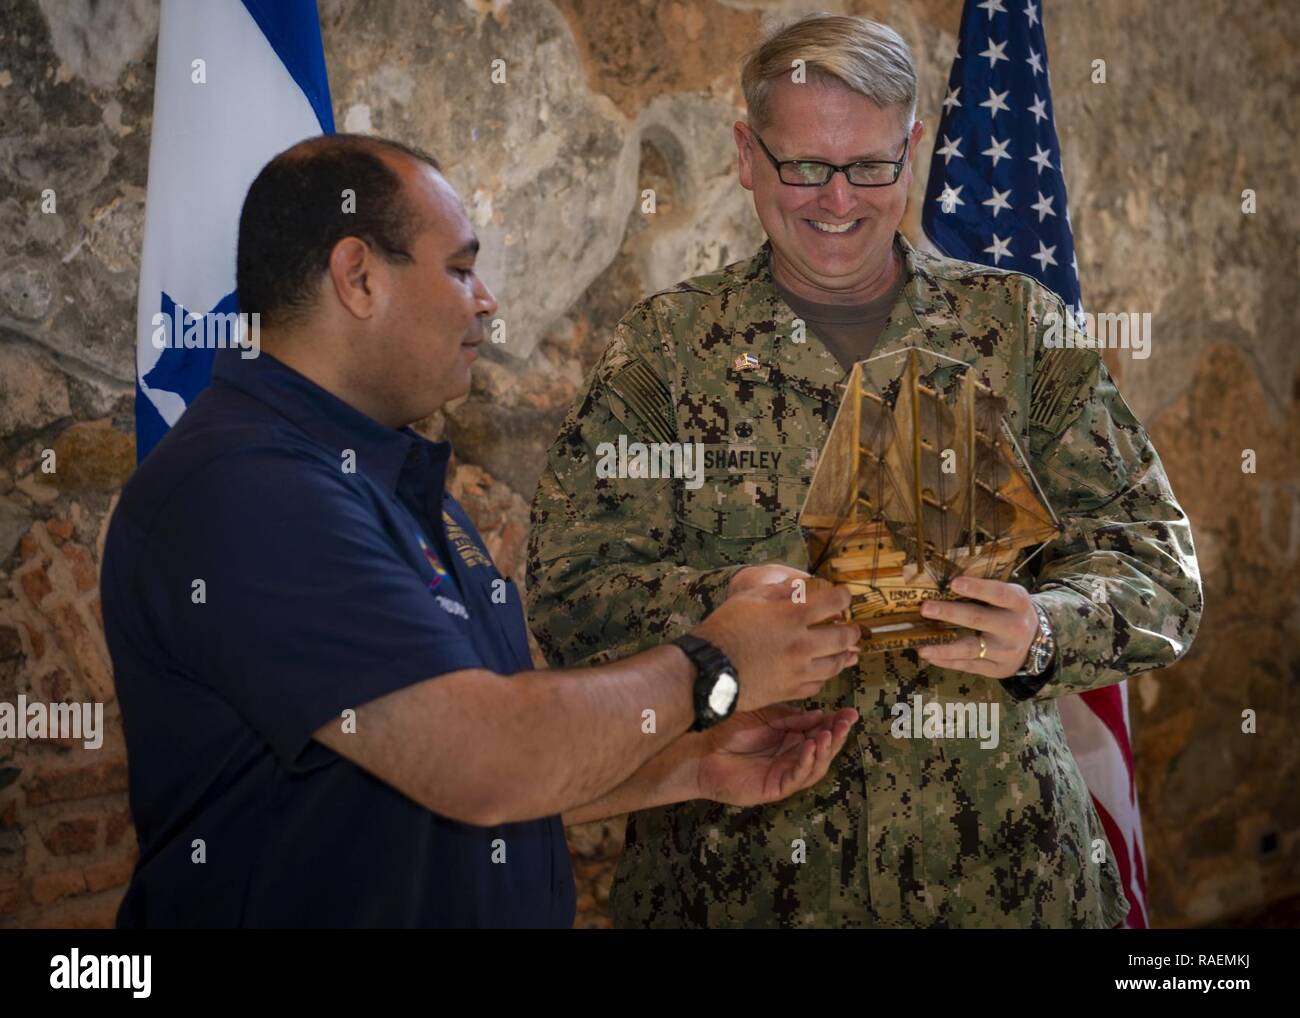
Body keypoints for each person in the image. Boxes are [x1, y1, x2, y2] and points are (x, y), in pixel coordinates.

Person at [526, 14, 1202, 928]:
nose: (836, 200)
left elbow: (1159, 569)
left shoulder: (1017, 331)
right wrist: (732, 616)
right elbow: (572, 600)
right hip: (744, 883)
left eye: (871, 166)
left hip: (1003, 881)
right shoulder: (667, 351)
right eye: (803, 165)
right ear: (745, 155)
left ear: (914, 149)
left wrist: (1044, 630)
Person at [101, 133, 863, 928]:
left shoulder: (384, 475)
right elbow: (487, 759)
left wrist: (689, 764)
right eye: (461, 268)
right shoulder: (245, 488)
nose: (487, 300)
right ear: (357, 277)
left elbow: (434, 780)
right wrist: (720, 658)